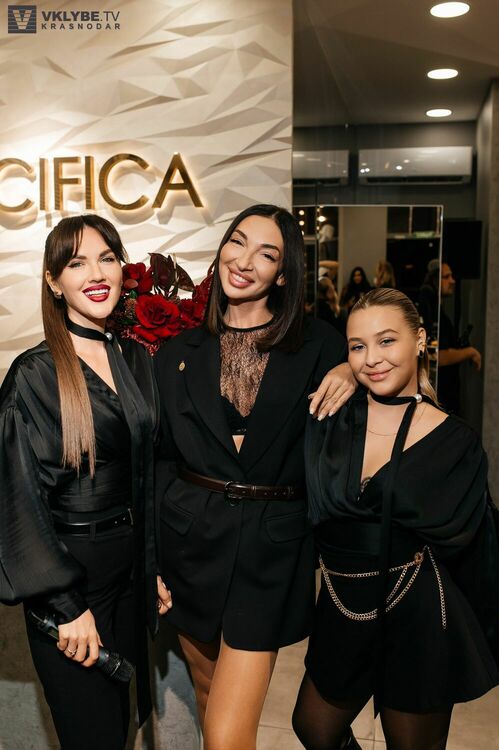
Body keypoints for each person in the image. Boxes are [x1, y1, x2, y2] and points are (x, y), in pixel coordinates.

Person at [154, 204, 359, 750]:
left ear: (284, 274)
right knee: (206, 696)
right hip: (190, 545)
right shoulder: (177, 352)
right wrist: (152, 558)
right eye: (237, 242)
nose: (244, 261)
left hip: (272, 551)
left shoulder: (321, 346)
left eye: (266, 254)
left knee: (226, 737)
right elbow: (161, 459)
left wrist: (352, 371)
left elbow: (388, 378)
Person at [293, 287, 498, 750]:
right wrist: (343, 370)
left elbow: (469, 543)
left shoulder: (455, 441)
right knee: (313, 727)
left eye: (387, 341)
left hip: (416, 612)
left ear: (419, 339)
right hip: (342, 605)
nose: (372, 359)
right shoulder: (330, 417)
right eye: (357, 346)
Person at [0, 215, 168, 750]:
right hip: (71, 577)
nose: (96, 274)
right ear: (54, 282)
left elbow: (147, 472)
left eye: (106, 258)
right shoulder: (34, 374)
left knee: (116, 728)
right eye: (76, 263)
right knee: (91, 735)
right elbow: (16, 501)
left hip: (129, 575)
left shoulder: (134, 357)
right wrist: (65, 606)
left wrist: (151, 565)